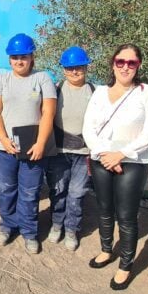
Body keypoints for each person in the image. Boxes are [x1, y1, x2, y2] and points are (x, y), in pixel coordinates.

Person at [82, 43, 148, 290]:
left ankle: (125, 265)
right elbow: (88, 128)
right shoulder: (99, 93)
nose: (125, 67)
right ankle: (107, 250)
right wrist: (105, 155)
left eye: (131, 63)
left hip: (134, 161)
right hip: (101, 159)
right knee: (105, 209)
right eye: (121, 61)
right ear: (113, 63)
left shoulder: (147, 93)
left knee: (127, 216)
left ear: (138, 65)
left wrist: (121, 154)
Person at [0, 34, 56, 253]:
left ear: (32, 57)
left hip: (32, 147)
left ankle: (29, 232)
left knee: (30, 191)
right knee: (6, 189)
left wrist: (41, 143)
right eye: (15, 57)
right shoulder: (1, 80)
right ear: (9, 59)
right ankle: (8, 225)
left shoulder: (43, 79)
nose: (19, 61)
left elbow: (48, 113)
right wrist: (4, 140)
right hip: (3, 148)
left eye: (24, 56)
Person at [46, 46, 95, 251]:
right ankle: (57, 225)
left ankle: (72, 229)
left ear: (86, 68)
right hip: (59, 151)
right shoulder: (55, 90)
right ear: (63, 69)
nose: (75, 72)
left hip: (84, 153)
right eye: (70, 68)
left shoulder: (95, 92)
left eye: (79, 67)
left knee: (76, 193)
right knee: (58, 190)